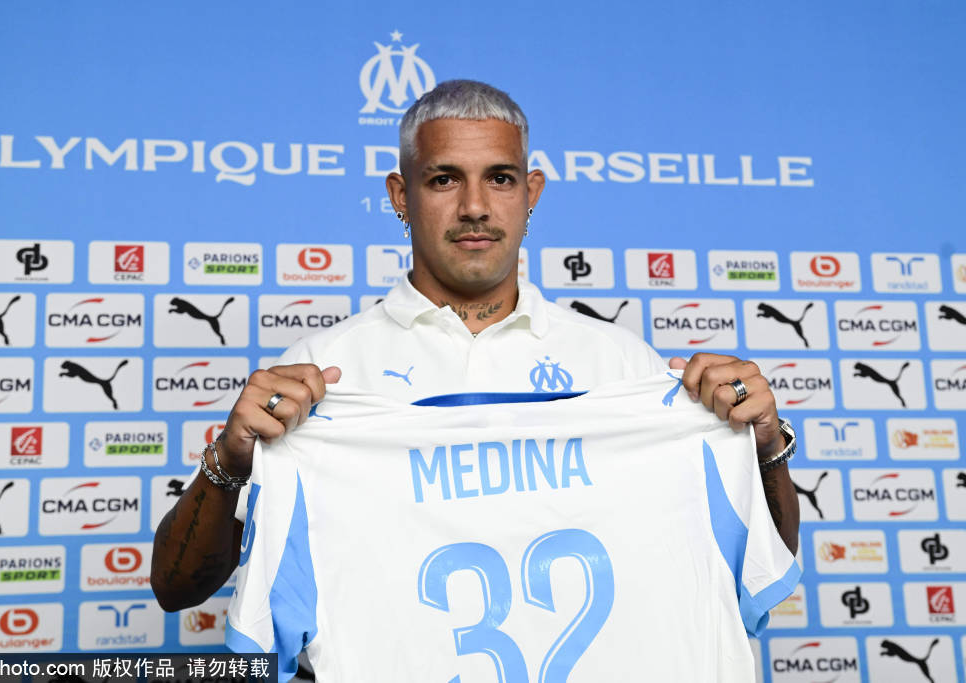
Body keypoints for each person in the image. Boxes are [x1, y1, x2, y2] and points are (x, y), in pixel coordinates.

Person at [151, 79, 799, 614]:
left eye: (500, 179)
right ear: (400, 196)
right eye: (443, 180)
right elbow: (177, 589)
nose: (474, 207)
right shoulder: (320, 368)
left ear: (531, 193)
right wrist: (230, 457)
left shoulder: (623, 363)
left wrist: (765, 448)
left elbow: (753, 571)